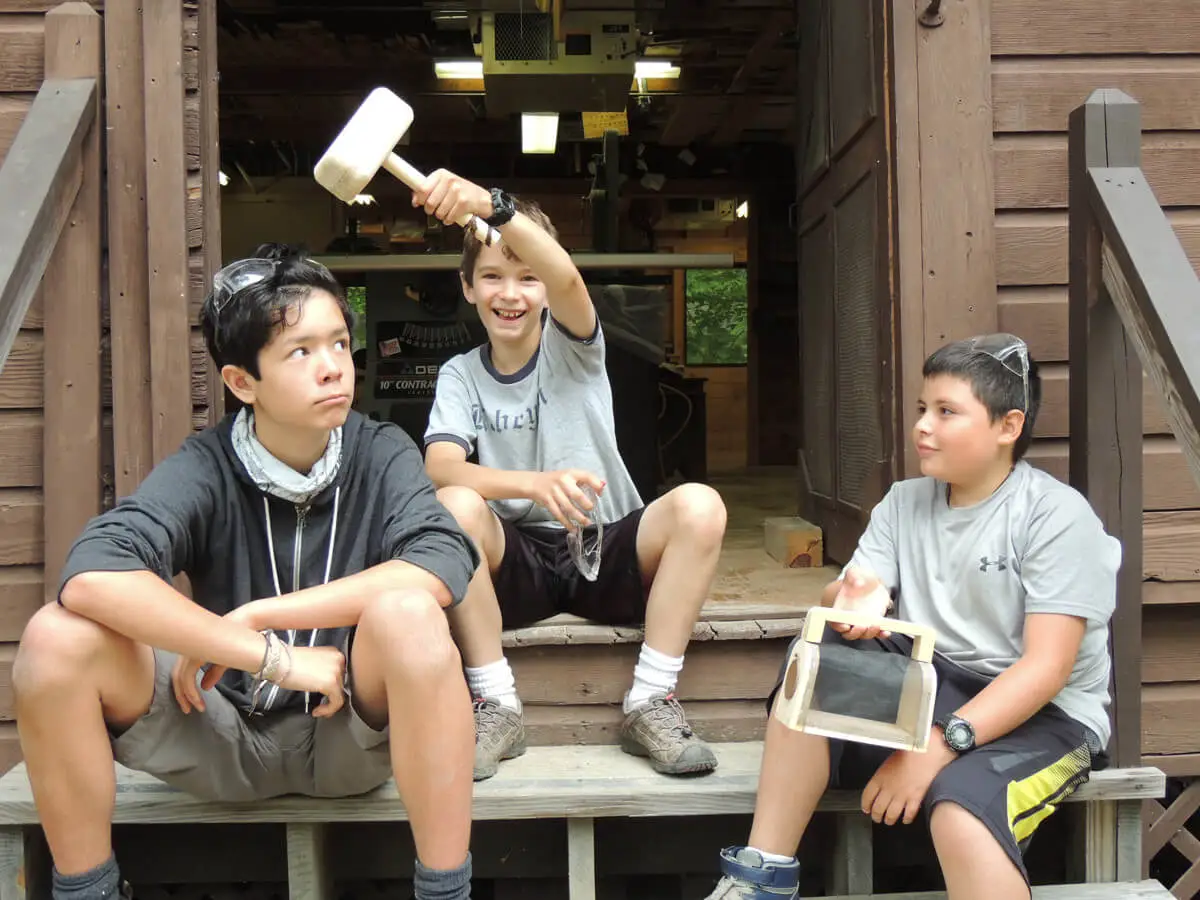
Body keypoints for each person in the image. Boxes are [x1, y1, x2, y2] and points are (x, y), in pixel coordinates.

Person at [13, 245, 481, 900]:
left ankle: (444, 892)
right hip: (219, 730)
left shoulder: (381, 451)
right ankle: (87, 892)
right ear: (241, 383)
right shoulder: (205, 466)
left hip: (350, 733)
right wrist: (270, 659)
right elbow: (92, 573)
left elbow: (438, 563)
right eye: (301, 352)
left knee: (411, 612)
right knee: (53, 638)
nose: (333, 368)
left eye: (340, 345)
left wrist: (260, 617)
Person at [702, 334, 1120, 900]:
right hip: (934, 687)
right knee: (819, 663)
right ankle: (763, 877)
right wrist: (848, 600)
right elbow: (851, 592)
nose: (923, 425)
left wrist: (939, 747)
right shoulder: (903, 501)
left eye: (947, 412)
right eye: (922, 409)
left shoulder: (1055, 517)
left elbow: (1047, 669)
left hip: (1045, 716)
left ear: (1008, 426)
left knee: (961, 809)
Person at [415, 171, 728, 781]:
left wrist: (493, 207)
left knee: (701, 506)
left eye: (527, 277)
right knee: (454, 505)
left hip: (604, 546)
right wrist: (533, 484)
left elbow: (566, 278)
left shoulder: (574, 343)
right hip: (517, 564)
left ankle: (652, 700)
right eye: (492, 277)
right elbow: (440, 466)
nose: (512, 293)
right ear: (468, 288)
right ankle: (495, 703)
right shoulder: (459, 373)